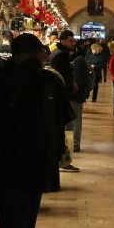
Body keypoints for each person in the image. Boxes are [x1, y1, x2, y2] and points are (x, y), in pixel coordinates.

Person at [0, 34, 69, 228]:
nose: (44, 56)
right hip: (12, 171)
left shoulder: (47, 82)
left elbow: (60, 122)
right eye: (40, 52)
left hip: (34, 174)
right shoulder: (7, 80)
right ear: (25, 55)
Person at [49, 29, 80, 173]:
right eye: (70, 41)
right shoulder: (61, 56)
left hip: (60, 96)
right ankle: (65, 161)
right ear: (63, 42)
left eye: (73, 40)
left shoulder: (57, 53)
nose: (73, 43)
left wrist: (71, 81)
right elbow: (59, 77)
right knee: (68, 130)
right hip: (63, 97)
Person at [69, 41, 90, 153]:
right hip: (74, 94)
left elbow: (78, 79)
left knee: (76, 119)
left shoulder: (78, 60)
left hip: (76, 95)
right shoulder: (76, 59)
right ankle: (72, 143)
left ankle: (75, 143)